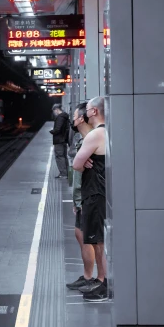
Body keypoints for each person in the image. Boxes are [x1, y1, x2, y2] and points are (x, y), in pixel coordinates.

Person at [72, 96, 108, 302]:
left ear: (94, 112)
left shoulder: (95, 135)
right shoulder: (104, 132)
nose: (84, 113)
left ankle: (104, 283)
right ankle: (101, 280)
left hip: (96, 192)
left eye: (86, 109)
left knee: (99, 242)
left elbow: (77, 164)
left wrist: (83, 159)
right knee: (98, 240)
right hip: (99, 191)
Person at [65, 102, 96, 290]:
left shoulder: (90, 141)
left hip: (88, 196)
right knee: (81, 235)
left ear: (82, 118)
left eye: (75, 116)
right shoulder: (82, 140)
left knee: (87, 237)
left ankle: (92, 278)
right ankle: (88, 276)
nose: (73, 120)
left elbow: (79, 167)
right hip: (81, 196)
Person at [49, 104, 70, 178]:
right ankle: (66, 173)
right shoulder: (65, 117)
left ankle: (63, 174)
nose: (54, 113)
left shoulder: (60, 117)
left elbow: (58, 129)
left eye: (54, 111)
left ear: (56, 110)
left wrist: (52, 131)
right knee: (63, 156)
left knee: (59, 156)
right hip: (63, 140)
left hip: (59, 140)